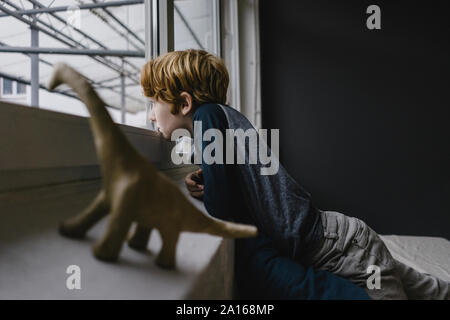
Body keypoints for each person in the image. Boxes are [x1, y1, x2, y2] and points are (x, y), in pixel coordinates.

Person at [140, 48, 448, 299]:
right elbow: (247, 173)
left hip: (340, 251)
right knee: (430, 290)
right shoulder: (224, 116)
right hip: (344, 239)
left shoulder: (208, 117)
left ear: (183, 103)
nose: (151, 114)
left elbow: (222, 206)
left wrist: (211, 185)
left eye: (154, 102)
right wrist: (209, 176)